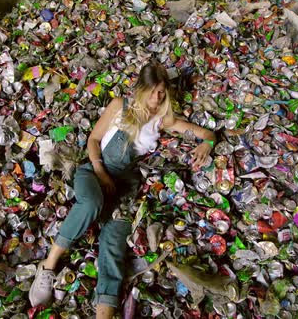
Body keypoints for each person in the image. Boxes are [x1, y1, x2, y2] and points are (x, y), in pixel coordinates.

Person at [29, 60, 216, 318]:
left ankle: (104, 314)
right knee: (91, 203)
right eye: (152, 91)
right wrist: (100, 172)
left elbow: (206, 133)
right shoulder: (119, 106)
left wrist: (207, 142)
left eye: (161, 92)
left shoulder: (162, 121)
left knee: (114, 245)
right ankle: (48, 267)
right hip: (93, 171)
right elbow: (93, 141)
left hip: (125, 188)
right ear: (140, 88)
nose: (156, 97)